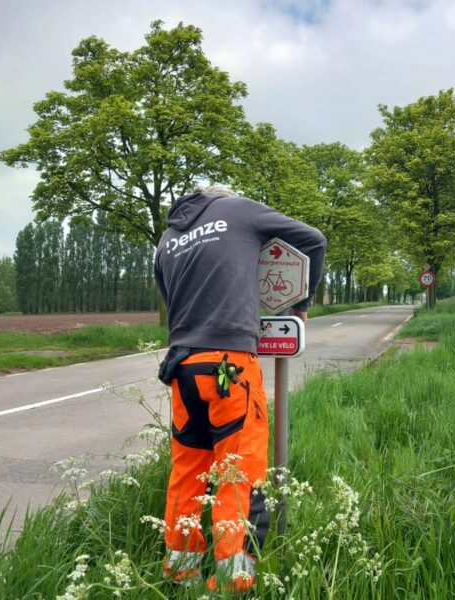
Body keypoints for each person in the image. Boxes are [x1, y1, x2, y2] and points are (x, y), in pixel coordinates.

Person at [154, 186, 326, 593]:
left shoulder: (168, 238)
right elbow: (314, 240)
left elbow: (169, 297)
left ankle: (181, 573)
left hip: (182, 365)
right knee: (239, 473)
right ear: (223, 196)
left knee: (188, 472)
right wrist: (301, 304)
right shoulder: (241, 210)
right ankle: (233, 583)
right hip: (229, 365)